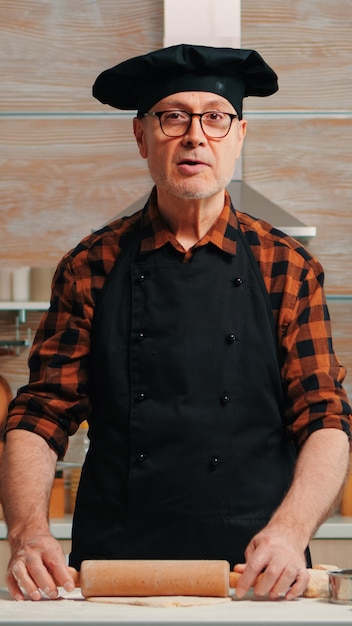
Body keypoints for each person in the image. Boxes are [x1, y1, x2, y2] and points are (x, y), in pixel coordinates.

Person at [0, 43, 351, 603]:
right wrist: (26, 533)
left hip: (259, 566)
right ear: (141, 137)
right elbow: (42, 413)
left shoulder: (288, 266)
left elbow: (325, 418)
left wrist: (290, 532)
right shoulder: (92, 264)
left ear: (239, 136)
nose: (195, 136)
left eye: (215, 117)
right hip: (116, 566)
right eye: (173, 117)